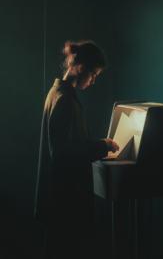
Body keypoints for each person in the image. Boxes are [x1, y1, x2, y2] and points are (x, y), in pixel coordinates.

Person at [34, 40, 119, 259]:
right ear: (80, 67)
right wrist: (103, 146)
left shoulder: (57, 92)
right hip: (64, 202)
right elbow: (62, 154)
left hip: (56, 198)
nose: (93, 80)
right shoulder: (64, 99)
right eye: (93, 74)